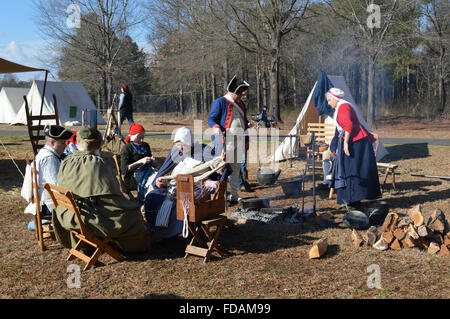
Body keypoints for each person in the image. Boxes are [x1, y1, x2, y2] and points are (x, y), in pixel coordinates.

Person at [51, 127, 148, 253]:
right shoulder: (97, 163)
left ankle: (99, 242)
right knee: (132, 213)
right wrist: (130, 205)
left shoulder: (67, 160)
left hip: (67, 214)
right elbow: (113, 196)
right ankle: (130, 248)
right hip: (86, 218)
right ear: (97, 144)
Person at [144, 127, 229, 241]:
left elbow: (219, 168)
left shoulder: (203, 150)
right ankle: (155, 230)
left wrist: (223, 161)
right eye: (178, 145)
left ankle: (182, 231)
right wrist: (158, 181)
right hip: (173, 186)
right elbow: (163, 171)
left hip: (197, 187)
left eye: (183, 144)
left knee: (184, 200)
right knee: (153, 196)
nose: (181, 148)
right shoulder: (176, 151)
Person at [326, 88, 381, 205]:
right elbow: (340, 129)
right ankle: (351, 200)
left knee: (353, 170)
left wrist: (345, 143)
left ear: (335, 99)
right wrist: (335, 146)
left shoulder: (343, 106)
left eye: (329, 100)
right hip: (354, 141)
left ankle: (354, 200)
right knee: (350, 170)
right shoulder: (340, 107)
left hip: (356, 142)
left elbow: (348, 125)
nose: (328, 103)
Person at [208, 75, 250, 204]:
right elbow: (211, 119)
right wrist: (216, 128)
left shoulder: (241, 103)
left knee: (236, 168)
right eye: (239, 93)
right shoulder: (220, 102)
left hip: (239, 139)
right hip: (226, 140)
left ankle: (234, 195)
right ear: (233, 92)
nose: (241, 96)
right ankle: (221, 196)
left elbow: (244, 120)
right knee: (223, 169)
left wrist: (247, 136)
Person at [33, 124, 73, 216]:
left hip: (49, 201)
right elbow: (57, 188)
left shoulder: (45, 153)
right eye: (62, 143)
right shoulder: (49, 159)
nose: (65, 146)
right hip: (49, 204)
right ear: (52, 142)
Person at [120, 123, 155, 204]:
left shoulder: (145, 146)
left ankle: (153, 201)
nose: (141, 140)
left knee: (159, 180)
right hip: (131, 178)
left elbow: (150, 160)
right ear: (133, 137)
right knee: (152, 183)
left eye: (143, 138)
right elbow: (124, 169)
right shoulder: (127, 148)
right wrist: (140, 162)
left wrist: (152, 161)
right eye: (139, 138)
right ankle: (150, 203)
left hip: (146, 172)